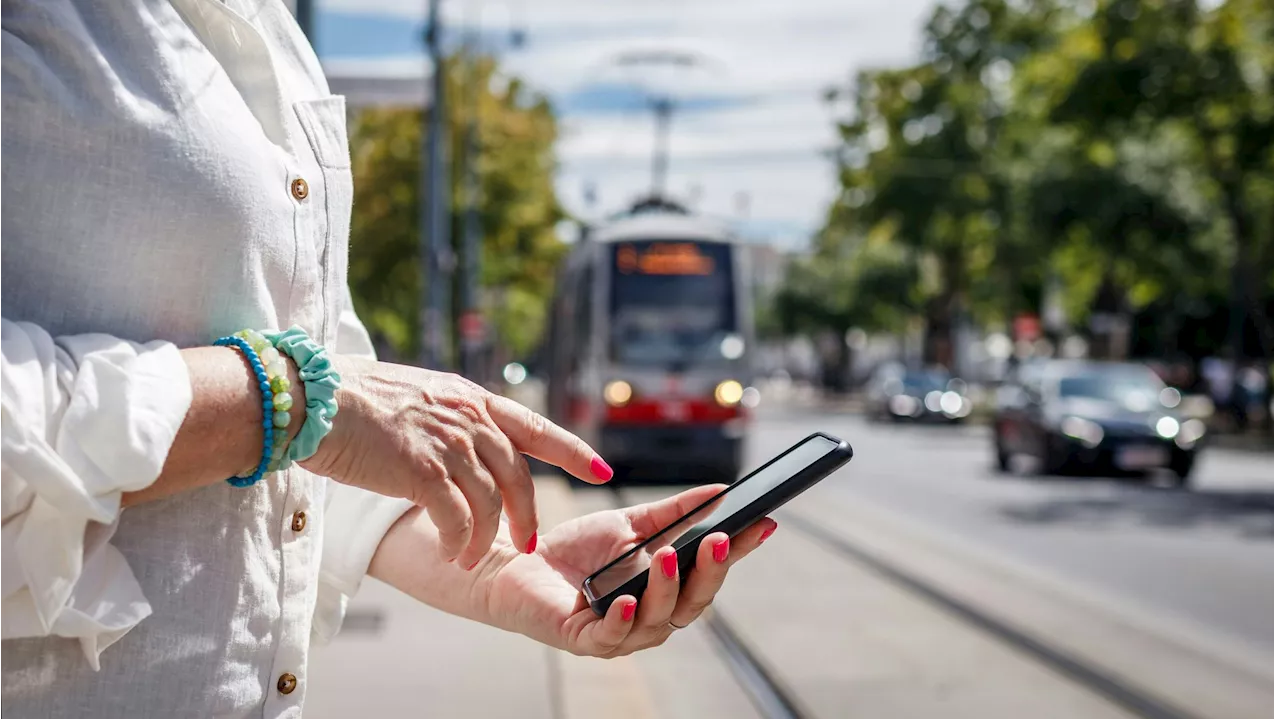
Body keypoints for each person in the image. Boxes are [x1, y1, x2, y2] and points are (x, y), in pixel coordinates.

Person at [0, 3, 776, 716]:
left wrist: (491, 564)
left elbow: (302, 460)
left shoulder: (273, 35)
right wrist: (290, 400)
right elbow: (314, 414)